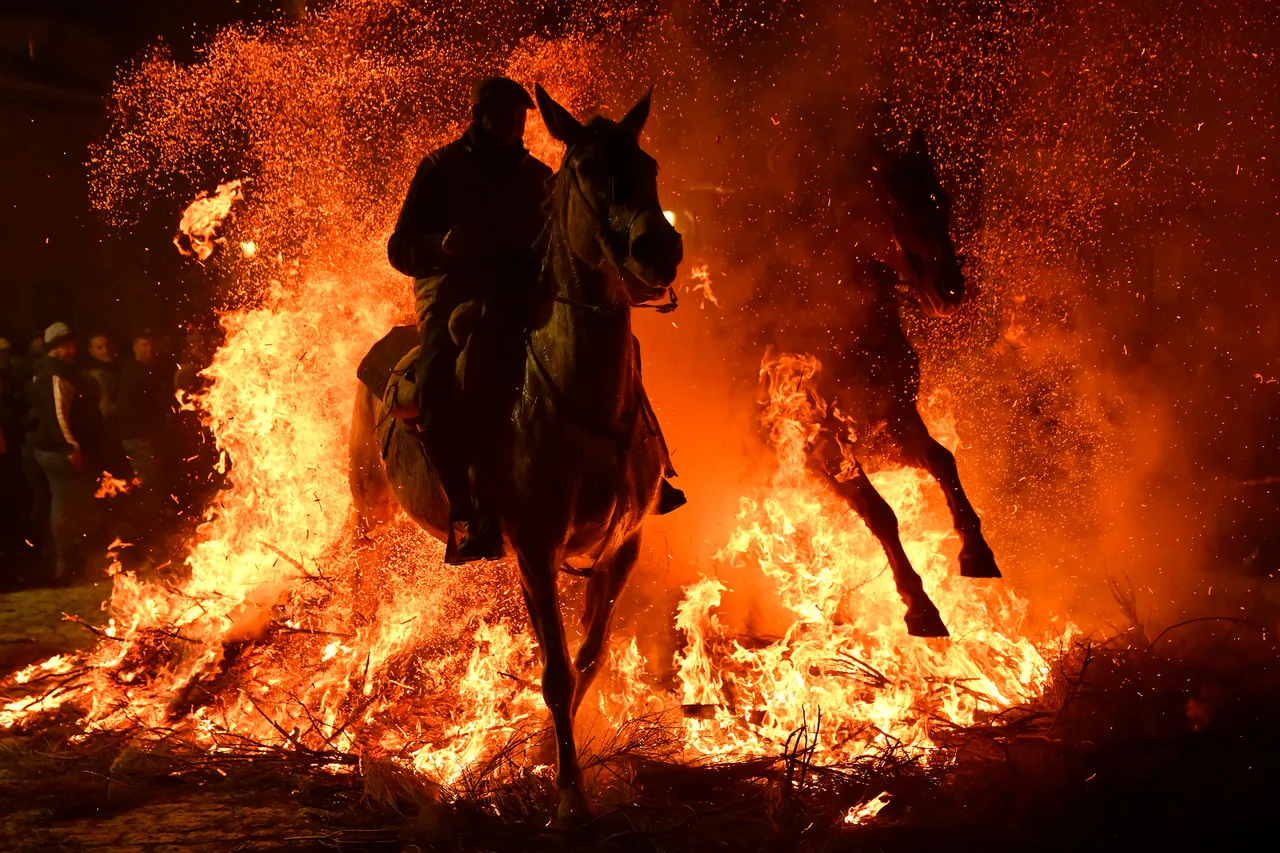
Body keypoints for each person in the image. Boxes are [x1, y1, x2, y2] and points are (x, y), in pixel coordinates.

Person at [387, 76, 552, 563]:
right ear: (480, 117)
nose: (516, 127)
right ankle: (470, 510)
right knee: (438, 381)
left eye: (521, 119)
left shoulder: (540, 177)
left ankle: (649, 466)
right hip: (451, 294)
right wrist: (441, 246)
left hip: (520, 293)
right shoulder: (440, 169)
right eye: (507, 118)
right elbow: (400, 247)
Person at [30, 322, 104, 583]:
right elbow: (57, 414)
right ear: (58, 347)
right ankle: (70, 563)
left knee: (70, 504)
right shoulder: (54, 374)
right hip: (60, 452)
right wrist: (71, 447)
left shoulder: (54, 370)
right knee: (68, 505)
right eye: (69, 345)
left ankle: (76, 560)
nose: (73, 350)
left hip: (58, 449)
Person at [118, 330, 174, 529]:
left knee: (152, 483)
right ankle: (142, 532)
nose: (149, 349)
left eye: (151, 345)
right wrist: (144, 434)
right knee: (145, 485)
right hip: (139, 439)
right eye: (144, 345)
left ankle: (148, 526)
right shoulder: (132, 373)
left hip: (149, 437)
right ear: (134, 348)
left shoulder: (152, 371)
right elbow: (129, 408)